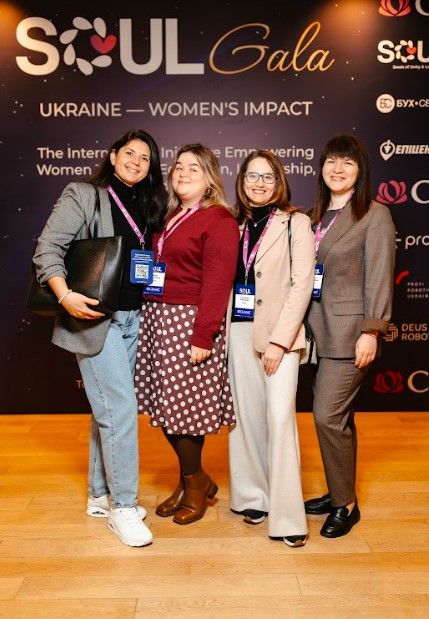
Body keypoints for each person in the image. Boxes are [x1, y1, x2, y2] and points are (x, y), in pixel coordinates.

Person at [32, 129, 167, 547]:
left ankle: (98, 494)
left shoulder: (147, 205)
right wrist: (65, 296)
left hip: (133, 318)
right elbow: (47, 249)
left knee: (106, 407)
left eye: (145, 158)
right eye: (130, 153)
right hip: (93, 318)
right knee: (121, 408)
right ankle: (124, 507)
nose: (136, 162)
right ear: (112, 156)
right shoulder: (84, 194)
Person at [135, 143, 240, 525]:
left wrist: (203, 336)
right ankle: (190, 481)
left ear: (209, 179)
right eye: (179, 167)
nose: (182, 173)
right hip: (158, 320)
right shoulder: (171, 215)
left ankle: (196, 484)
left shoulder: (219, 220)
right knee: (168, 408)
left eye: (194, 168)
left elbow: (218, 283)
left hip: (189, 322)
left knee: (185, 412)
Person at [304, 134, 396, 538]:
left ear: (361, 171)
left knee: (326, 416)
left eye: (348, 163)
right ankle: (338, 490)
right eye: (331, 161)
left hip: (349, 333)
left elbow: (379, 275)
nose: (337, 169)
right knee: (340, 420)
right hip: (315, 332)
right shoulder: (313, 217)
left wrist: (371, 330)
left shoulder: (374, 215)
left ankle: (346, 505)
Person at [227, 150, 315, 548]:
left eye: (267, 176)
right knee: (247, 419)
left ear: (279, 182)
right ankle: (254, 497)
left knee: (280, 418)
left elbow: (302, 284)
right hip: (238, 330)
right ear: (242, 181)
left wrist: (280, 341)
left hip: (280, 334)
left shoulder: (296, 222)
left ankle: (288, 517)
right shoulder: (235, 225)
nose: (259, 183)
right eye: (252, 176)